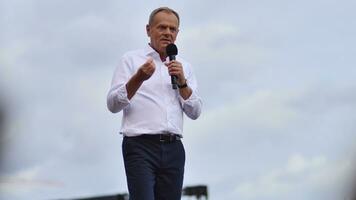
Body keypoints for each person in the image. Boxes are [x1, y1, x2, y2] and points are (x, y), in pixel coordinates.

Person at [107, 7, 202, 200]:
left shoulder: (184, 66)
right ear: (148, 30)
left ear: (177, 33)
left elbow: (195, 111)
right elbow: (113, 104)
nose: (168, 32)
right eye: (162, 27)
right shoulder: (131, 60)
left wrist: (182, 81)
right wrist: (139, 78)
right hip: (140, 146)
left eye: (172, 29)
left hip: (173, 148)